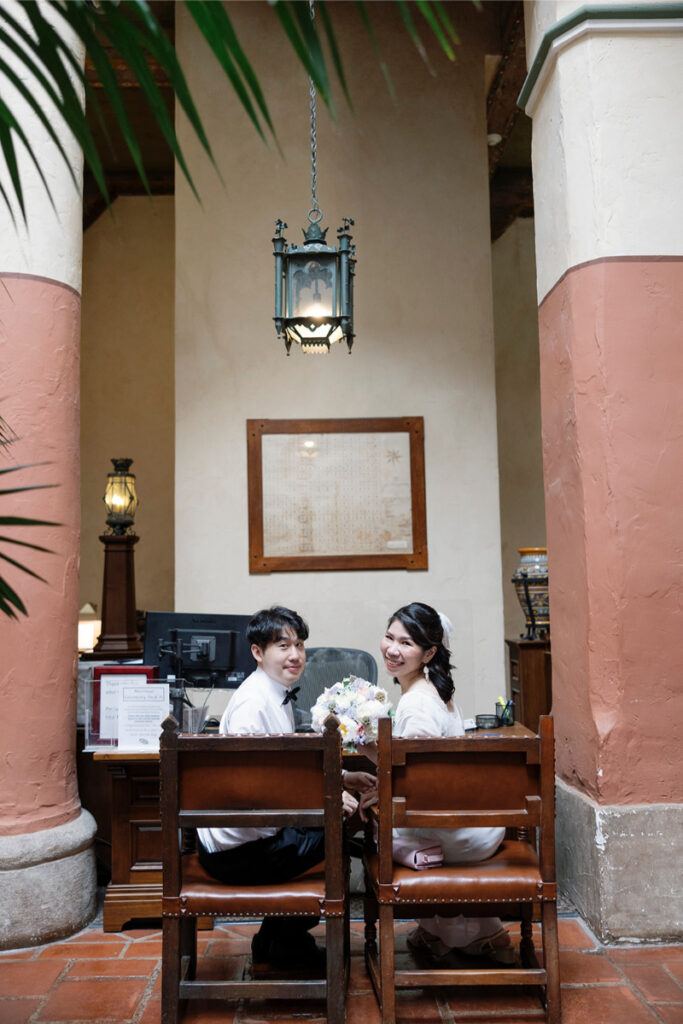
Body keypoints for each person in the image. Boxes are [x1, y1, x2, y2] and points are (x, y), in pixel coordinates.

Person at [196, 605, 376, 972]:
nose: (295, 655)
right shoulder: (253, 705)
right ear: (258, 652)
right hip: (238, 852)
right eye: (282, 646)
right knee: (339, 834)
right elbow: (253, 790)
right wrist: (324, 799)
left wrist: (340, 780)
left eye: (299, 645)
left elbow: (284, 769)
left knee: (338, 827)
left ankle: (276, 939)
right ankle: (285, 943)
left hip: (252, 836)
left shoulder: (274, 691)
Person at [377, 601, 515, 965]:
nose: (393, 649)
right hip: (473, 822)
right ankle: (447, 932)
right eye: (389, 637)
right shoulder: (433, 687)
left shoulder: (415, 705)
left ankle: (452, 934)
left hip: (457, 832)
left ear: (429, 652)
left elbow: (418, 788)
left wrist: (374, 792)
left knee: (377, 826)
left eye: (406, 643)